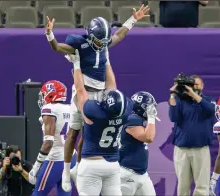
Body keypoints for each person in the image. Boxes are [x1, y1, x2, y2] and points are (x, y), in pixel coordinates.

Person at [44, 5, 150, 192]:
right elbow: (58, 48)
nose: (101, 45)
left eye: (104, 42)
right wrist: (50, 35)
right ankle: (66, 171)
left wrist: (133, 20)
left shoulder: (103, 44)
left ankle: (79, 167)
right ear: (89, 35)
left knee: (90, 133)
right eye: (98, 41)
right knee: (73, 132)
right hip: (83, 92)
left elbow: (120, 35)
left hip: (102, 93)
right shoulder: (80, 45)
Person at [71, 49, 132, 195]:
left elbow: (80, 90)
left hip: (92, 164)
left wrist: (77, 65)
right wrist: (107, 60)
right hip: (112, 165)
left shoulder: (95, 112)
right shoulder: (125, 112)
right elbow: (113, 86)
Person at [168, 74, 215, 196]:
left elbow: (210, 111)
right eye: (190, 85)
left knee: (202, 186)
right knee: (183, 186)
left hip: (201, 149)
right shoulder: (180, 101)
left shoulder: (208, 100)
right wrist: (173, 95)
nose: (193, 87)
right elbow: (173, 117)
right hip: (182, 149)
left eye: (196, 85)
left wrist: (194, 95)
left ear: (202, 86)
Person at [29, 80, 76, 196]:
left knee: (37, 194)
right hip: (71, 157)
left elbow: (48, 142)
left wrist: (36, 167)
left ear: (51, 94)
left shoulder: (49, 109)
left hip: (55, 159)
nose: (43, 98)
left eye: (44, 94)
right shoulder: (70, 108)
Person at [119, 91, 158, 196]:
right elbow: (148, 138)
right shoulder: (132, 119)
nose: (152, 110)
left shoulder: (136, 119)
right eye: (149, 107)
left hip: (141, 173)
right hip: (127, 173)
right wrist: (151, 118)